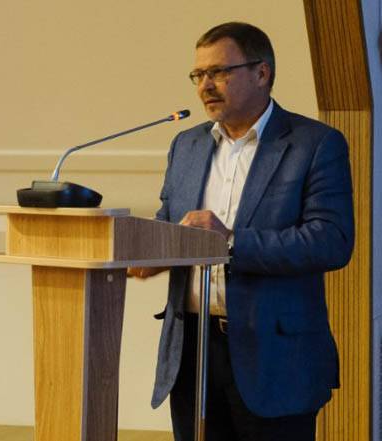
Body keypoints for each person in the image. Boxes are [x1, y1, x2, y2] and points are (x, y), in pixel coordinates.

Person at [130, 22, 354, 441]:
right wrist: (144, 252)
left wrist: (229, 242)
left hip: (275, 356)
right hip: (192, 350)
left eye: (219, 72)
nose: (205, 86)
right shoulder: (186, 145)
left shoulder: (314, 144)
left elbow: (331, 240)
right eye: (198, 74)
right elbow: (168, 222)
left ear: (261, 73)